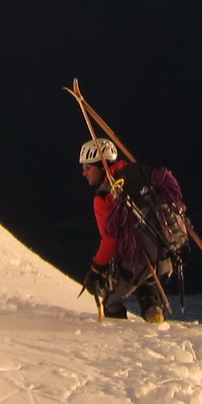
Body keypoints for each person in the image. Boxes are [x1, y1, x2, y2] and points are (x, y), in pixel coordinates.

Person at [78, 137, 172, 323]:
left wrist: (96, 269)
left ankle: (121, 345)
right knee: (148, 293)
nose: (85, 173)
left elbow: (110, 240)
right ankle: (158, 331)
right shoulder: (137, 177)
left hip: (136, 260)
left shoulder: (104, 196)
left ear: (101, 166)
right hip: (165, 255)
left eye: (87, 167)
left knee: (112, 304)